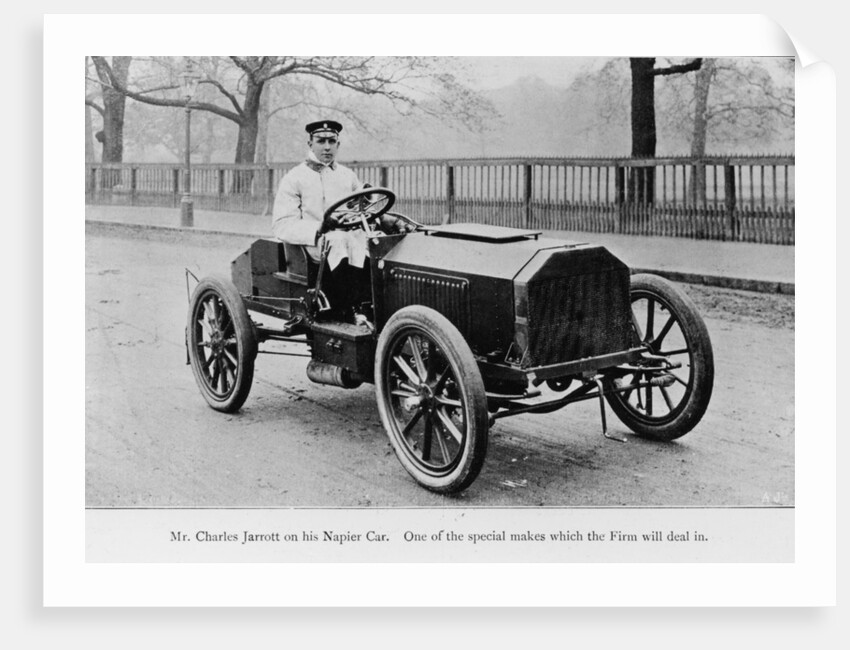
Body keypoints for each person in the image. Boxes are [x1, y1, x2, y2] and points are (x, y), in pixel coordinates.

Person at [272, 120, 395, 320]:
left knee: (378, 240)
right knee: (338, 240)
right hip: (312, 244)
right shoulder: (294, 178)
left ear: (338, 144)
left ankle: (379, 304)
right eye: (321, 141)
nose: (327, 147)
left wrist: (382, 218)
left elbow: (362, 208)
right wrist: (319, 227)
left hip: (348, 236)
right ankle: (348, 308)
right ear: (310, 144)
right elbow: (282, 225)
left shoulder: (347, 175)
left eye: (332, 141)